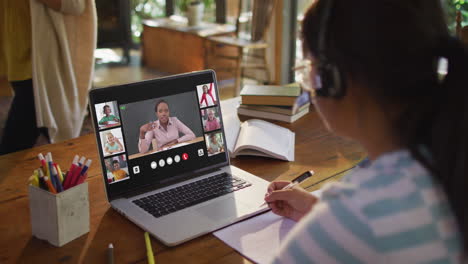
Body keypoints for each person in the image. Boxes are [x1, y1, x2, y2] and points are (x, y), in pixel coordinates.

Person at [264, 0, 467, 263]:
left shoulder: (359, 212)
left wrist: (335, 224)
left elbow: (371, 220)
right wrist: (321, 214)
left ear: (334, 78)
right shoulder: (446, 159)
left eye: (308, 68)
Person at [0, 0, 97, 154]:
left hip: (41, 67)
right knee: (48, 137)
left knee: (11, 149)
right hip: (16, 59)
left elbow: (75, 4)